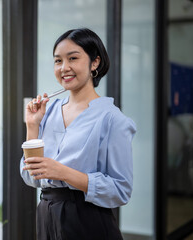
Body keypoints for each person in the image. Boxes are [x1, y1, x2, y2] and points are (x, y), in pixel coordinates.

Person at [20, 28, 137, 240]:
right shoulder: (48, 112)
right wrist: (32, 126)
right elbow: (31, 177)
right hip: (46, 215)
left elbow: (121, 190)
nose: (64, 68)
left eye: (73, 58)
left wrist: (63, 172)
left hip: (88, 220)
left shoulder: (113, 120)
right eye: (58, 61)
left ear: (95, 63)